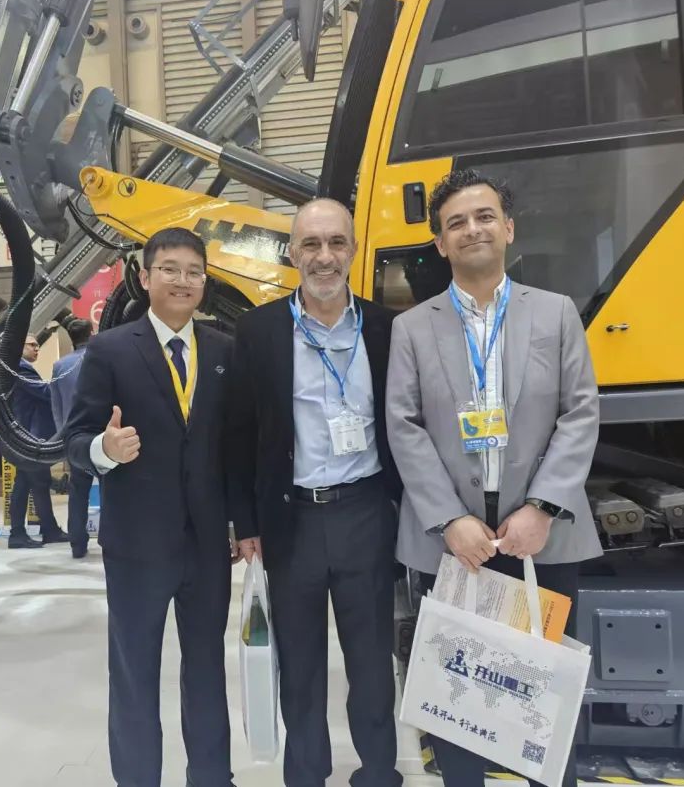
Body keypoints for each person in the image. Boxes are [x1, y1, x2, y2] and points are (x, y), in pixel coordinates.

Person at [386, 169, 602, 787]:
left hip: (540, 537)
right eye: (456, 222)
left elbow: (580, 412)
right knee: (455, 693)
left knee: (543, 695)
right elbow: (403, 424)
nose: (472, 229)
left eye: (484, 217)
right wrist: (450, 519)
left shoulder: (555, 313)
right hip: (455, 542)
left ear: (508, 228)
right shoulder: (412, 327)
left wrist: (543, 507)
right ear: (440, 243)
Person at [226, 198, 403, 787]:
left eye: (336, 243)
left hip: (366, 514)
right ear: (292, 253)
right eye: (311, 244)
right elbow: (239, 435)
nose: (324, 257)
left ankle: (378, 772)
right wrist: (246, 523)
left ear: (353, 248)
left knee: (371, 661)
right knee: (299, 665)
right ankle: (306, 774)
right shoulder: (258, 332)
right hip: (292, 521)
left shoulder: (387, 328)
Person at [65, 227, 236, 787]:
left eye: (193, 271)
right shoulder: (111, 350)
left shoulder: (224, 351)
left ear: (204, 281)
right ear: (144, 277)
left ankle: (211, 777)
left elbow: (237, 446)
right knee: (134, 671)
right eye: (170, 269)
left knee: (207, 668)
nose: (183, 280)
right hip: (137, 546)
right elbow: (75, 440)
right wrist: (104, 449)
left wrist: (242, 522)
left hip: (207, 546)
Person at [8, 335, 69, 549]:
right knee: (31, 483)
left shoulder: (21, 367)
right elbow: (44, 392)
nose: (37, 348)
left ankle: (45, 530)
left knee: (31, 482)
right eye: (32, 345)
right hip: (30, 434)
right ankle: (20, 533)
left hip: (28, 435)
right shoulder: (21, 368)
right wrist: (64, 382)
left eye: (37, 345)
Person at [50, 317, 95, 558]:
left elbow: (56, 406)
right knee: (111, 489)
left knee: (78, 491)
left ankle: (77, 544)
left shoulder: (60, 366)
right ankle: (112, 540)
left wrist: (63, 437)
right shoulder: (101, 359)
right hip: (103, 435)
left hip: (74, 437)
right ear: (92, 332)